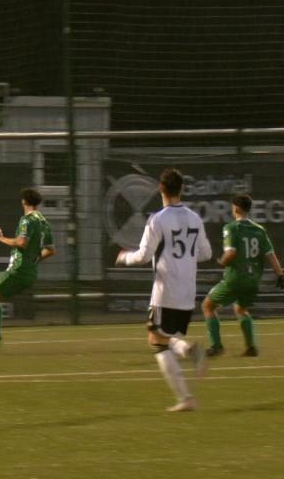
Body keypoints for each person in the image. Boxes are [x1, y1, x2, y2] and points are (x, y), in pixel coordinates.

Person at [116, 168, 212, 412]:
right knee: (163, 337)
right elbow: (206, 253)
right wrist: (185, 260)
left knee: (156, 341)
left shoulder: (158, 219)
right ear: (181, 189)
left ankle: (186, 395)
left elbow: (143, 256)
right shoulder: (194, 218)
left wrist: (124, 257)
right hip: (187, 291)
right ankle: (187, 353)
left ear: (161, 189)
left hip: (165, 289)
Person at [202, 193, 284, 358]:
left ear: (236, 208)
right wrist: (280, 273)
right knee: (241, 309)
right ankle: (251, 347)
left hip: (235, 279)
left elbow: (231, 253)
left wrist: (221, 261)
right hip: (253, 280)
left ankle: (216, 346)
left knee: (207, 306)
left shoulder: (231, 228)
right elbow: (270, 254)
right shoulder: (259, 230)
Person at [0, 187, 56, 354]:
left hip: (17, 271)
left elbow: (21, 242)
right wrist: (34, 259)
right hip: (30, 272)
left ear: (24, 202)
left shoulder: (27, 220)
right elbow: (50, 250)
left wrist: (1, 238)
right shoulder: (44, 221)